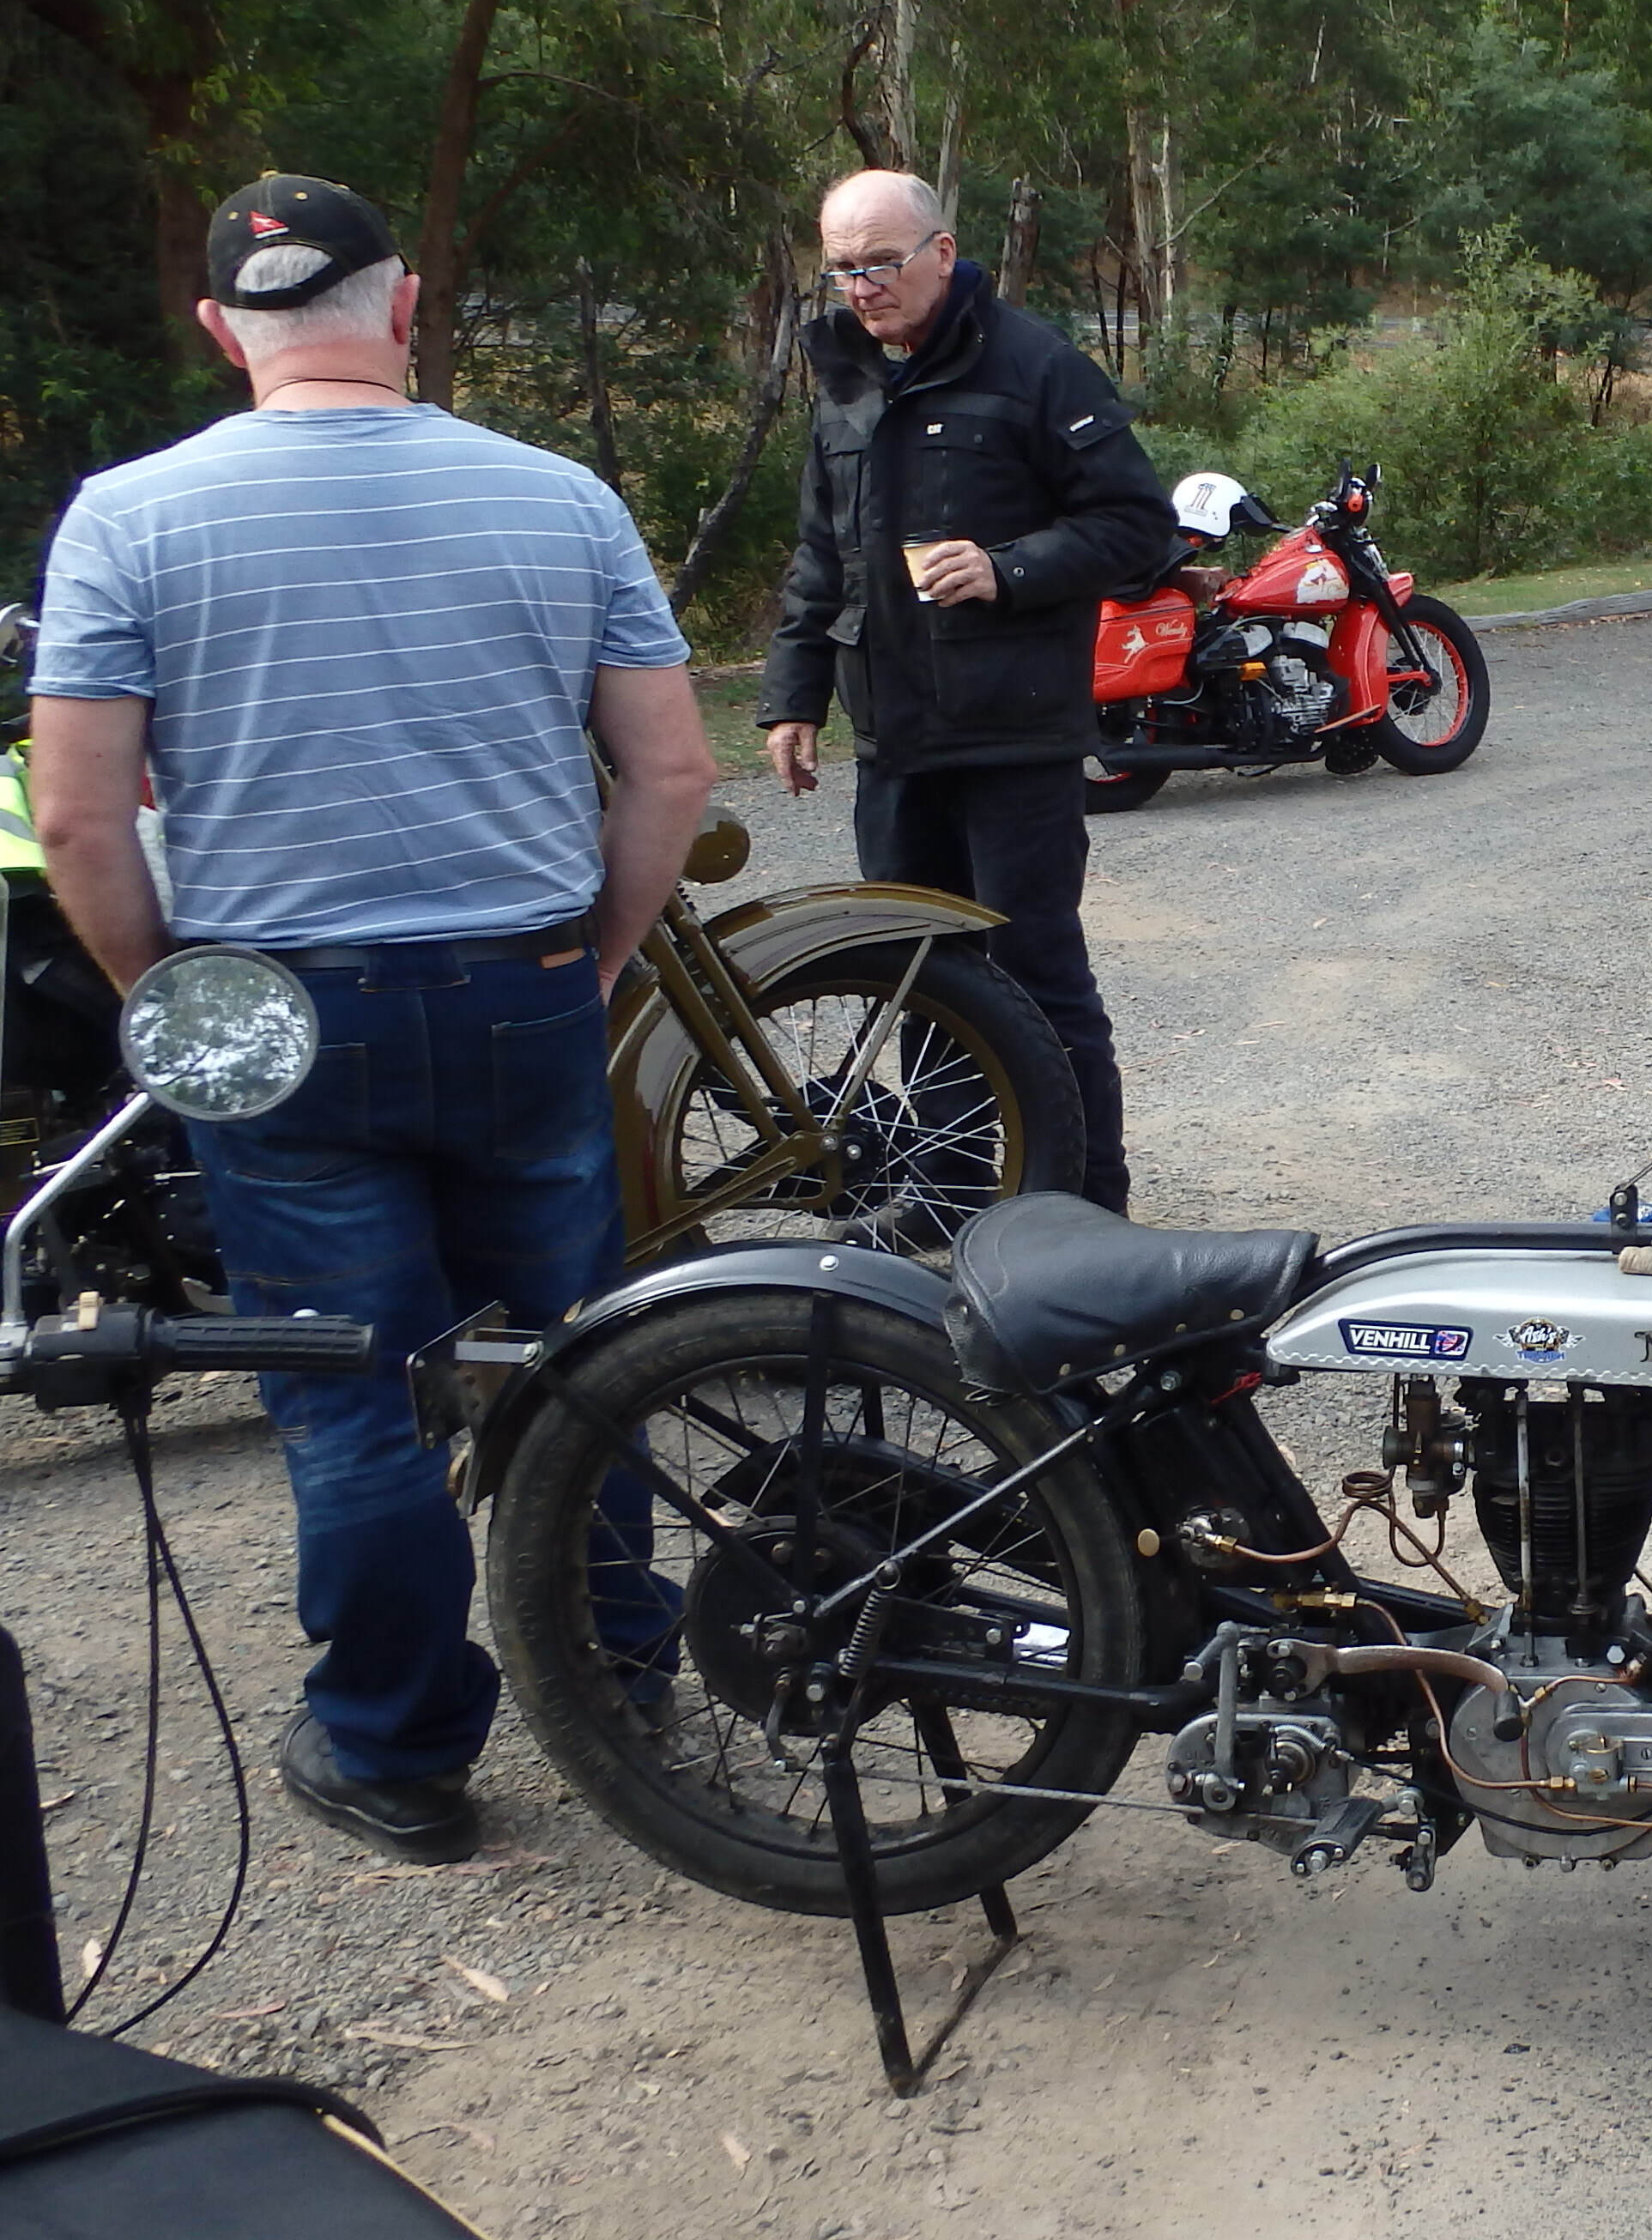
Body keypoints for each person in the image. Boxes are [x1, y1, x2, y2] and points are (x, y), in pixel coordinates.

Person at [25, 174, 722, 1864]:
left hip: (277, 1013)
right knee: (577, 1352)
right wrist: (600, 958)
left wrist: (176, 1006)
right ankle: (622, 1676)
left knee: (349, 1391)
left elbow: (78, 821)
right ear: (404, 310)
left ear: (221, 331)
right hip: (524, 984)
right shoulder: (562, 502)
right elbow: (673, 771)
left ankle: (399, 1756)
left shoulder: (127, 518)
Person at [759, 170, 1173, 1211]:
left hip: (1012, 743)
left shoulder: (1038, 369)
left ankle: (1082, 1204)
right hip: (895, 744)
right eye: (843, 269)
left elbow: (1136, 528)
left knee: (1035, 980)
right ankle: (948, 1184)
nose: (861, 287)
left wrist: (1008, 567)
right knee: (917, 976)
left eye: (881, 264)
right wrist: (793, 693)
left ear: (943, 251)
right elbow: (824, 555)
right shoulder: (847, 380)